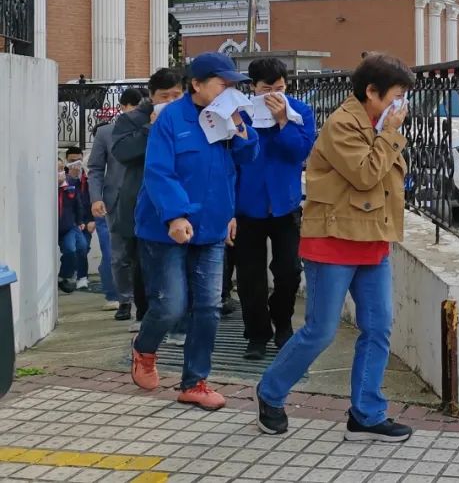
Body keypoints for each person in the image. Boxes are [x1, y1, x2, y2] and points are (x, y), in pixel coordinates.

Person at [257, 53, 415, 441]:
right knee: (321, 330)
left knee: (378, 327)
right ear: (371, 92)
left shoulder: (377, 124)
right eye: (395, 97)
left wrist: (387, 133)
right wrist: (392, 134)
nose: (401, 107)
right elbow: (365, 175)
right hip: (333, 239)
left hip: (372, 237)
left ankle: (366, 414)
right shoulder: (343, 124)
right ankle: (270, 393)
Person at [130, 53, 259, 412]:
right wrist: (174, 215)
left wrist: (241, 127)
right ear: (197, 85)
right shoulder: (171, 119)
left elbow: (243, 162)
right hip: (166, 228)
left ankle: (194, 382)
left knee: (208, 307)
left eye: (233, 84)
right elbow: (158, 171)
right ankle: (145, 348)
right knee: (171, 305)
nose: (229, 90)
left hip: (213, 225)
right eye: (222, 83)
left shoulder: (229, 116)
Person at [235, 57, 317, 360]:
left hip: (285, 205)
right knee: (249, 277)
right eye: (266, 89)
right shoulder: (240, 114)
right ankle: (256, 333)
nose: (272, 95)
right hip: (248, 206)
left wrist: (283, 121)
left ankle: (282, 323)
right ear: (253, 87)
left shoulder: (300, 111)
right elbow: (230, 161)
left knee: (289, 271)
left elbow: (301, 150)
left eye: (279, 88)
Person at [112, 68, 185, 322]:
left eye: (177, 95)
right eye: (165, 96)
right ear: (152, 96)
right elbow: (122, 153)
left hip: (180, 200)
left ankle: (178, 319)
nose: (172, 102)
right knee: (142, 265)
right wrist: (150, 128)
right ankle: (145, 317)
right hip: (141, 201)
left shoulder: (190, 116)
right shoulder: (131, 120)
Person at [87, 89, 144, 311]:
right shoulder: (106, 133)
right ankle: (124, 300)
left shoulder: (152, 130)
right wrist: (95, 198)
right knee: (119, 255)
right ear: (122, 107)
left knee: (146, 254)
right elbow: (95, 169)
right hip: (116, 201)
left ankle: (145, 302)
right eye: (132, 107)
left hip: (147, 199)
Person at [58, 157, 92, 294]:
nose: (59, 173)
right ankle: (66, 276)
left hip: (69, 226)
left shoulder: (70, 184)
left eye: (61, 169)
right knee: (70, 250)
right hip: (56, 226)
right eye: (56, 170)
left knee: (79, 247)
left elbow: (78, 204)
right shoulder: (47, 187)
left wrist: (80, 222)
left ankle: (66, 275)